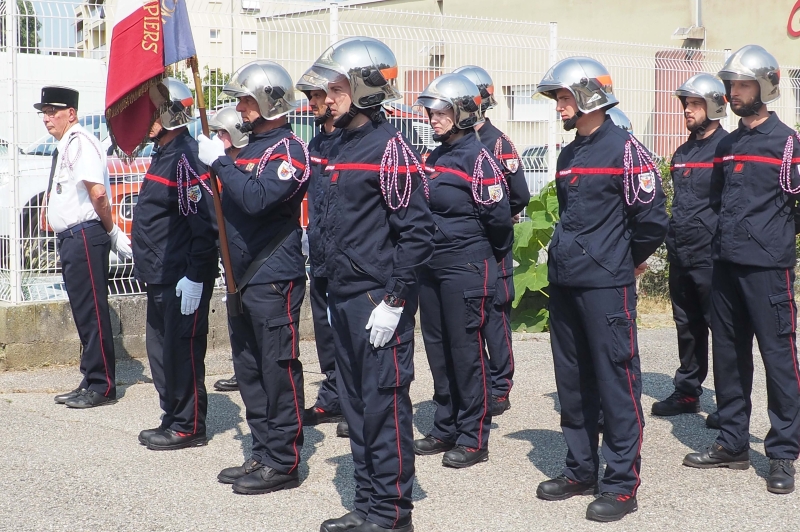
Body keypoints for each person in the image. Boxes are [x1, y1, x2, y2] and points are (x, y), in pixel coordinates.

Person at [303, 36, 435, 532]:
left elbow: (417, 232)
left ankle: (392, 513)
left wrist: (396, 300)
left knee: (384, 405)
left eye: (336, 86)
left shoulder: (391, 147)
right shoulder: (328, 143)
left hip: (378, 298)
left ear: (363, 88)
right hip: (339, 294)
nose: (326, 95)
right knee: (356, 407)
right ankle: (366, 504)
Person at [532, 57, 668, 522]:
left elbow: (651, 220)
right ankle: (580, 469)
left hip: (606, 287)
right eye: (558, 99)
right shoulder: (569, 155)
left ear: (590, 96)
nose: (559, 107)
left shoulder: (626, 150)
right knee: (573, 382)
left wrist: (620, 262)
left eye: (565, 97)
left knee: (616, 382)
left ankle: (622, 484)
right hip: (566, 284)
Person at [683, 45, 800, 495]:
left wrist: (772, 239)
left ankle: (783, 453)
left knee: (778, 360)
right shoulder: (727, 145)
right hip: (725, 267)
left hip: (768, 269)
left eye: (744, 85)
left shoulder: (787, 142)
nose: (734, 93)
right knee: (729, 358)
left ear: (765, 86)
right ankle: (732, 442)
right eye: (731, 85)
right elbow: (717, 202)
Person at [198, 60, 310, 496]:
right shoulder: (246, 152)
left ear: (268, 100)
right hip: (241, 279)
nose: (240, 107)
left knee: (276, 368)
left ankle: (284, 460)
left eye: (246, 99)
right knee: (248, 370)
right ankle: (263, 450)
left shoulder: (288, 150)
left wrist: (222, 165)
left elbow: (257, 198)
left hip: (273, 275)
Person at [412, 73, 513, 469]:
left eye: (440, 111)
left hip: (467, 266)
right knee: (438, 350)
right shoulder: (434, 157)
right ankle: (446, 423)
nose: (431, 118)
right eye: (430, 111)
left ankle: (473, 435)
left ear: (462, 113)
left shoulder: (479, 158)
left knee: (466, 351)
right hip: (432, 268)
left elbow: (499, 220)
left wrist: (478, 256)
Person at [133, 78, 219, 451]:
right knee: (162, 351)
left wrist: (195, 276)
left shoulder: (185, 156)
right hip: (158, 272)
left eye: (152, 111)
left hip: (180, 275)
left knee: (181, 351)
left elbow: (206, 223)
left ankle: (188, 425)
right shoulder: (164, 153)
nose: (144, 118)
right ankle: (173, 415)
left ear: (171, 114)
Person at [40, 86, 131, 409]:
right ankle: (90, 377)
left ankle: (103, 385)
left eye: (54, 111)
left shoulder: (81, 143)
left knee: (92, 311)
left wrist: (112, 231)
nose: (47, 117)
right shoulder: (66, 144)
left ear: (71, 114)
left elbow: (98, 195)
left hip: (85, 233)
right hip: (72, 236)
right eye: (45, 112)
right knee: (83, 311)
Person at [453, 65, 530, 416]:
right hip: (460, 249)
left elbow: (519, 195)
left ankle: (500, 387)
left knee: (495, 315)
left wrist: (494, 220)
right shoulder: (451, 144)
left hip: (492, 244)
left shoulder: (498, 143)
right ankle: (475, 384)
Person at [651, 74, 727, 425]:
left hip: (712, 257)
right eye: (686, 105)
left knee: (722, 329)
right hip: (681, 253)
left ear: (713, 106)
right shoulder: (682, 153)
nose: (688, 111)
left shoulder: (727, 149)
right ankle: (687, 392)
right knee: (687, 327)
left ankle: (729, 404)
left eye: (695, 105)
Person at [295, 71, 346, 429]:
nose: (312, 103)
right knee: (325, 333)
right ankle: (333, 398)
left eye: (316, 96)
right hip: (320, 254)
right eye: (311, 97)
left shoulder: (351, 141)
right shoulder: (315, 144)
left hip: (348, 257)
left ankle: (354, 402)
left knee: (348, 334)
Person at [207, 106, 249, 394]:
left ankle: (247, 368)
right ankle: (241, 367)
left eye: (222, 132)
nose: (218, 137)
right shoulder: (219, 166)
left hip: (249, 257)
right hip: (229, 254)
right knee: (235, 316)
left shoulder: (243, 167)